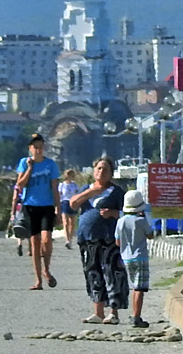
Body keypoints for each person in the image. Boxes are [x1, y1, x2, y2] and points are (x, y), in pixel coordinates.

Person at [70, 157, 127, 324]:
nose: (101, 172)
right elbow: (72, 204)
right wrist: (90, 192)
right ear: (94, 171)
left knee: (112, 272)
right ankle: (98, 312)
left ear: (111, 173)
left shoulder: (117, 192)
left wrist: (113, 214)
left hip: (109, 237)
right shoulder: (86, 189)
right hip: (87, 237)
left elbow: (129, 214)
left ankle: (113, 312)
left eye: (105, 169)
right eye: (99, 169)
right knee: (92, 273)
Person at [13, 134, 61, 289]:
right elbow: (20, 184)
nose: (38, 149)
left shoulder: (50, 165)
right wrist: (29, 168)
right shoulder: (24, 163)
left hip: (46, 205)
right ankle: (38, 279)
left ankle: (47, 269)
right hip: (30, 205)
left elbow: (55, 189)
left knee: (46, 239)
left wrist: (58, 210)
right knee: (35, 241)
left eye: (41, 146)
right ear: (30, 148)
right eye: (35, 146)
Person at [116, 189, 152, 328]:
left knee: (134, 286)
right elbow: (150, 235)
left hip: (126, 258)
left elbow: (117, 242)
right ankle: (136, 316)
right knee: (140, 288)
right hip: (140, 256)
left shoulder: (120, 222)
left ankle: (134, 314)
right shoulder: (141, 221)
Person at [58, 167, 82, 241]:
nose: (70, 176)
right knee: (65, 222)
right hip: (64, 202)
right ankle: (67, 239)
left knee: (72, 223)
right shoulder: (62, 185)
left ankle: (70, 238)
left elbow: (78, 193)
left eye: (71, 175)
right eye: (69, 175)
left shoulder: (74, 185)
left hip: (73, 203)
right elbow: (59, 195)